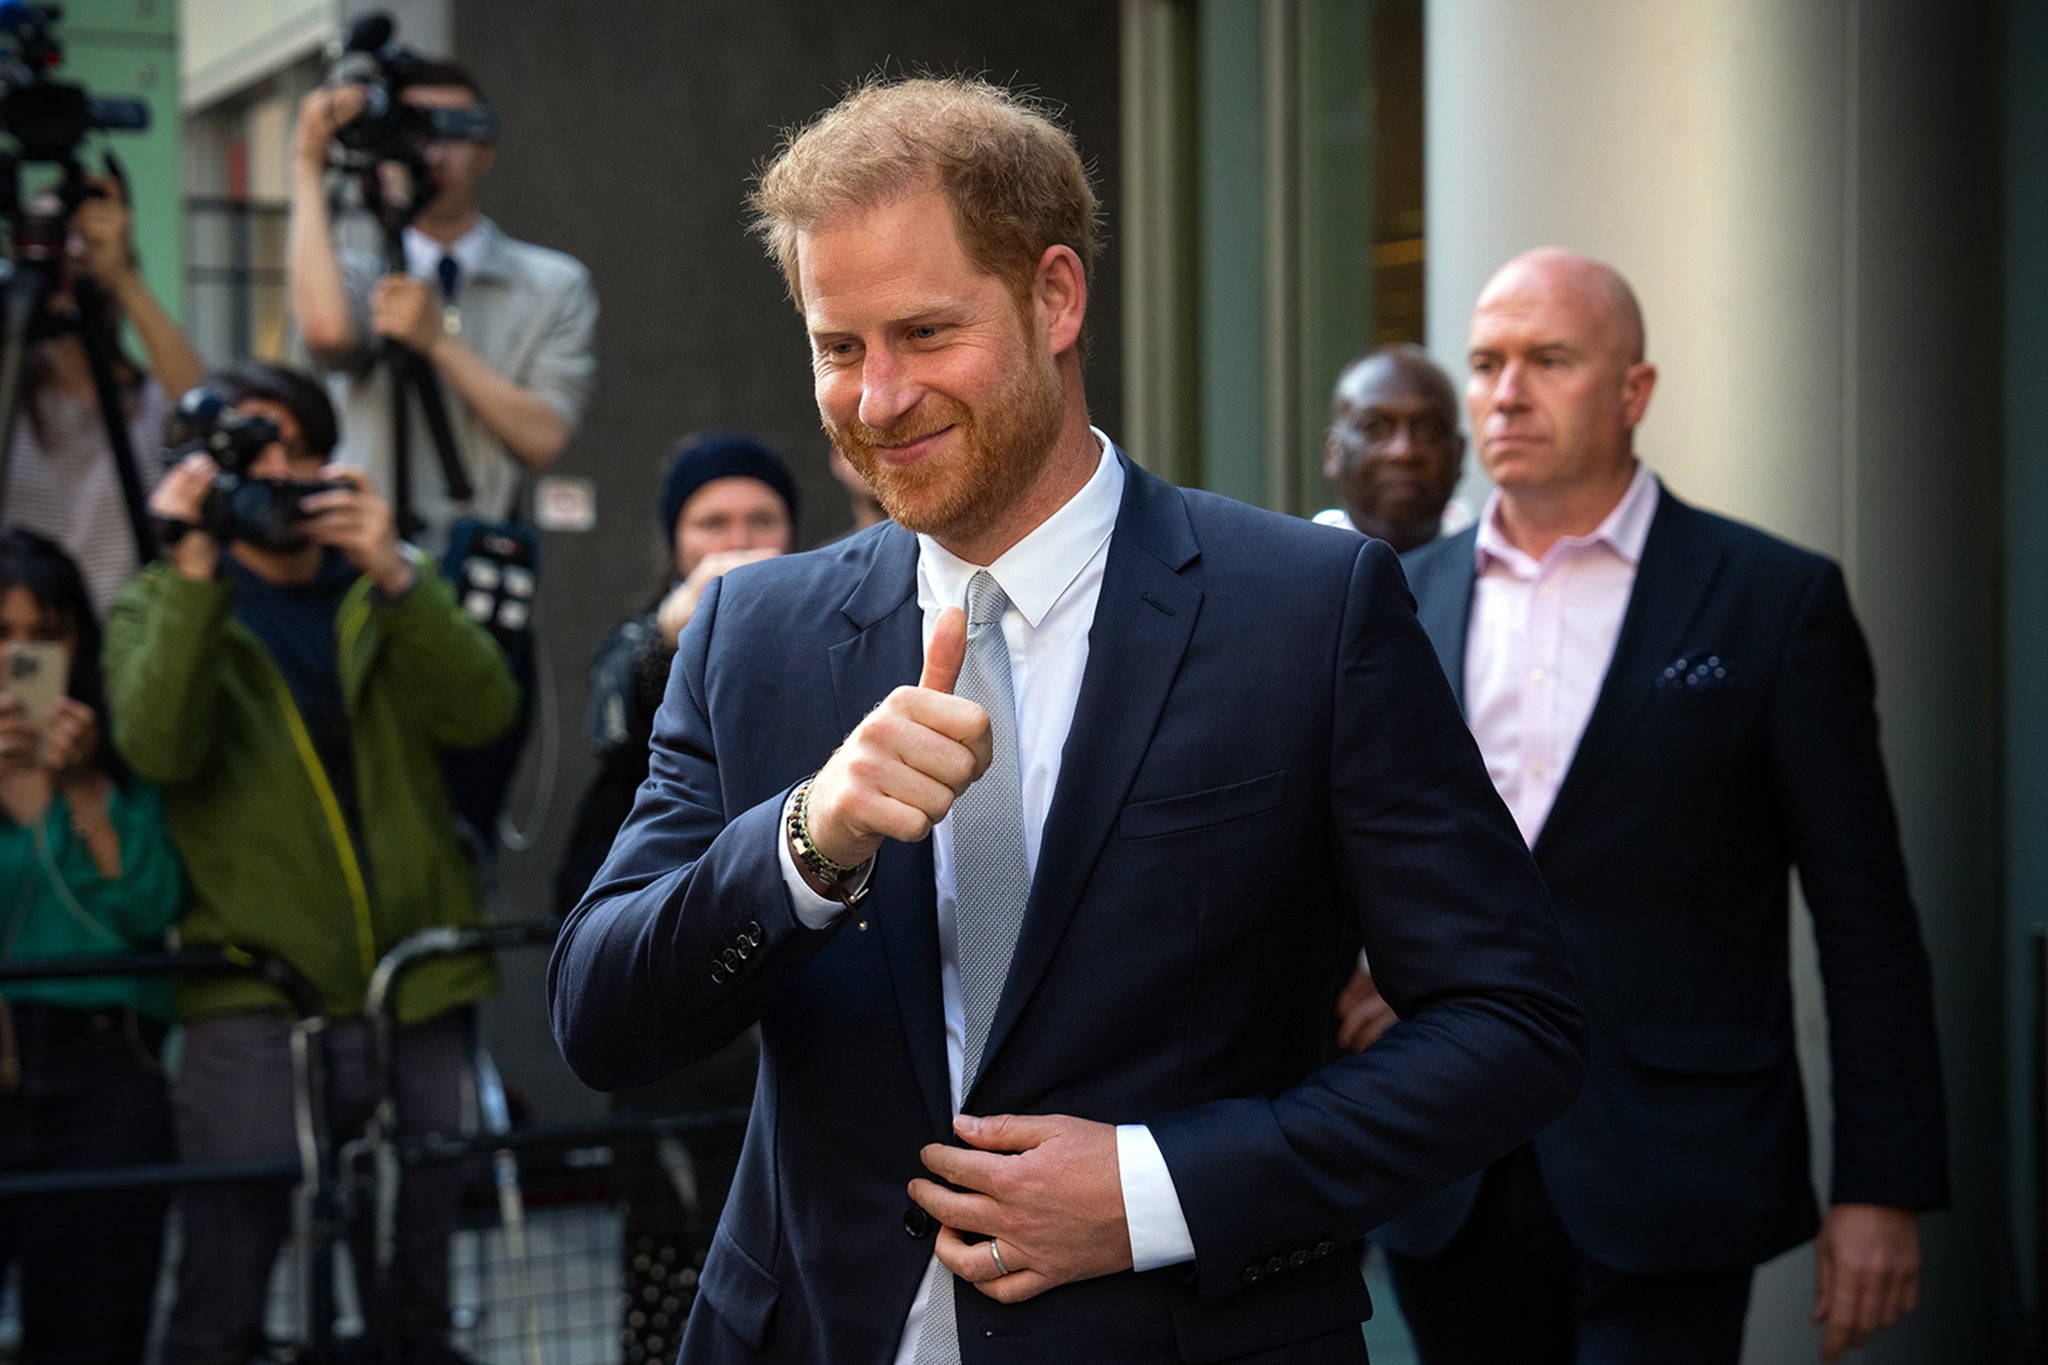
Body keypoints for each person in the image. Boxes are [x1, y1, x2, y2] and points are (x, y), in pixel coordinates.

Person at [550, 76, 1586, 1364]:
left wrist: (1159, 1192)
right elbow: (600, 1019)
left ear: (1054, 297)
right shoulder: (748, 633)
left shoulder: (1305, 612)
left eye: (925, 334)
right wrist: (805, 844)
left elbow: (1513, 1024)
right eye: (837, 346)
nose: (876, 400)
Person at [1357, 248, 1948, 1365]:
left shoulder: (1771, 601)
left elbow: (1863, 916)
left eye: (1548, 360)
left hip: (1674, 1165)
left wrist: (1883, 1185)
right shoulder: (1392, 601)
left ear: (1632, 391)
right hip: (1447, 1164)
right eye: (1484, 363)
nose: (1505, 392)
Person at [102, 360, 518, 1364]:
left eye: (291, 443)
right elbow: (157, 749)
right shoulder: (160, 602)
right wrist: (195, 567)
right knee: (226, 1281)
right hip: (250, 995)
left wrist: (396, 576)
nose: (271, 468)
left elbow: (485, 715)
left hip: (412, 985)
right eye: (243, 447)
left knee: (415, 1276)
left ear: (328, 462)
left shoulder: (388, 588)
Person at [554, 431, 799, 1361]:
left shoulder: (831, 622)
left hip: (794, 1017)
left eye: (760, 520)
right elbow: (610, 723)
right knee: (676, 1271)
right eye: (713, 523)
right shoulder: (649, 636)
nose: (738, 540)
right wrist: (675, 628)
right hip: (682, 1020)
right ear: (676, 540)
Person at [0, 528, 181, 1365]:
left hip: (109, 1061)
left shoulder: (120, 763)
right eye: (2, 636)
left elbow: (151, 907)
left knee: (92, 1322)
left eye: (45, 635)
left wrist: (82, 789)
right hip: (10, 1049)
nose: (22, 657)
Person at [288, 58, 597, 547]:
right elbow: (328, 336)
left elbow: (543, 439)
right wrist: (307, 164)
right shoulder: (355, 271)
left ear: (486, 149)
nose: (432, 151)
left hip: (473, 554)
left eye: (451, 130)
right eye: (413, 130)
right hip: (360, 551)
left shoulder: (552, 283)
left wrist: (438, 342)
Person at [2, 176, 206, 614]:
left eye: (84, 238)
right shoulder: (9, 398)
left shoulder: (150, 400)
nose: (71, 255)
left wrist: (122, 277)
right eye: (54, 237)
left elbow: (208, 408)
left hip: (125, 639)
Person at [1313, 343, 1469, 552]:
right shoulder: (1292, 576)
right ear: (1333, 452)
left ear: (1459, 454)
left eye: (1427, 429)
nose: (1403, 452)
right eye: (1374, 427)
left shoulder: (1495, 575)